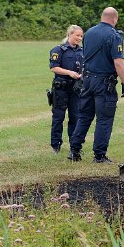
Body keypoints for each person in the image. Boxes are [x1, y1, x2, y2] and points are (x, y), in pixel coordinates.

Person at [68, 7, 124, 164]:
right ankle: (99, 155)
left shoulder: (88, 33)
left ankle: (74, 150)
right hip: (104, 82)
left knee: (84, 115)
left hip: (87, 80)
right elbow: (118, 62)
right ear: (114, 19)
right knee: (104, 119)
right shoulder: (114, 36)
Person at [49, 25, 84, 153]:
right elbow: (54, 67)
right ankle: (56, 145)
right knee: (58, 117)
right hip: (61, 88)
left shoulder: (81, 51)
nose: (79, 38)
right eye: (77, 35)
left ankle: (74, 146)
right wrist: (69, 72)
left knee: (75, 117)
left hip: (76, 89)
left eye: (81, 36)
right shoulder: (59, 50)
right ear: (70, 34)